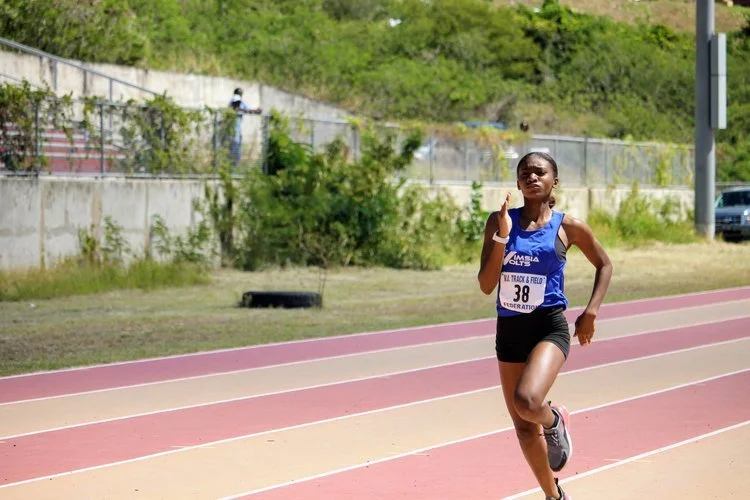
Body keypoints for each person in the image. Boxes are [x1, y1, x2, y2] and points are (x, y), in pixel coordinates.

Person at [477, 152, 613, 500]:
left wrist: (591, 312)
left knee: (527, 400)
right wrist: (502, 237)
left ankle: (553, 419)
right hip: (509, 329)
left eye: (540, 172)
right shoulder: (499, 221)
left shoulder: (569, 226)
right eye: (525, 173)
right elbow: (486, 284)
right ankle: (554, 496)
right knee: (523, 429)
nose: (532, 177)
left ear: (555, 180)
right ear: (518, 181)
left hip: (548, 327)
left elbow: (604, 264)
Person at [228, 88, 262, 167]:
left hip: (237, 128)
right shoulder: (235, 100)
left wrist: (255, 111)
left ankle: (235, 166)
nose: (237, 103)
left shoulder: (240, 103)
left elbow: (246, 109)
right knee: (234, 145)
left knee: (238, 146)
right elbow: (236, 108)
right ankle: (232, 166)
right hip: (232, 127)